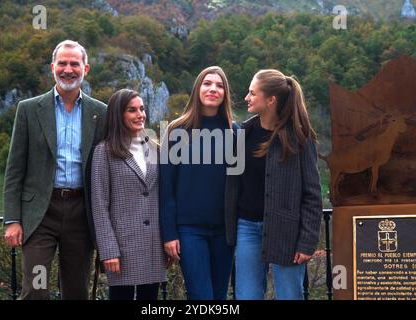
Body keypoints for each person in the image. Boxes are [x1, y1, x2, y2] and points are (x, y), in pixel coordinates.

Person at [3, 40, 107, 300]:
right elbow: (15, 169)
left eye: (75, 64)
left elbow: (108, 169)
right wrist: (12, 219)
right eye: (62, 63)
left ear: (86, 68)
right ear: (53, 67)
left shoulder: (100, 112)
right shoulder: (28, 109)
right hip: (40, 215)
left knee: (76, 292)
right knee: (35, 291)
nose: (68, 69)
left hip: (82, 215)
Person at [225, 69, 322, 300]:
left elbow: (312, 195)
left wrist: (307, 241)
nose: (247, 98)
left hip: (287, 232)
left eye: (252, 93)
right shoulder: (242, 134)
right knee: (246, 296)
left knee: (289, 295)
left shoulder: (300, 138)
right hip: (247, 228)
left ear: (271, 100)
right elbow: (230, 185)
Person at [160, 66, 237, 300]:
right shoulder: (176, 131)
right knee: (201, 296)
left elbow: (239, 186)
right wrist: (169, 233)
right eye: (207, 83)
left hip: (225, 232)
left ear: (225, 94)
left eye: (219, 85)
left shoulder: (235, 133)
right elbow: (166, 188)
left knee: (219, 297)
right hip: (190, 231)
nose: (213, 89)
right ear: (197, 90)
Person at [91, 89, 166, 300]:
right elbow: (99, 205)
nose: (140, 114)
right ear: (118, 115)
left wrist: (166, 239)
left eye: (141, 109)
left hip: (154, 245)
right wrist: (108, 250)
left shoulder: (155, 149)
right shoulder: (104, 151)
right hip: (122, 247)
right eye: (132, 110)